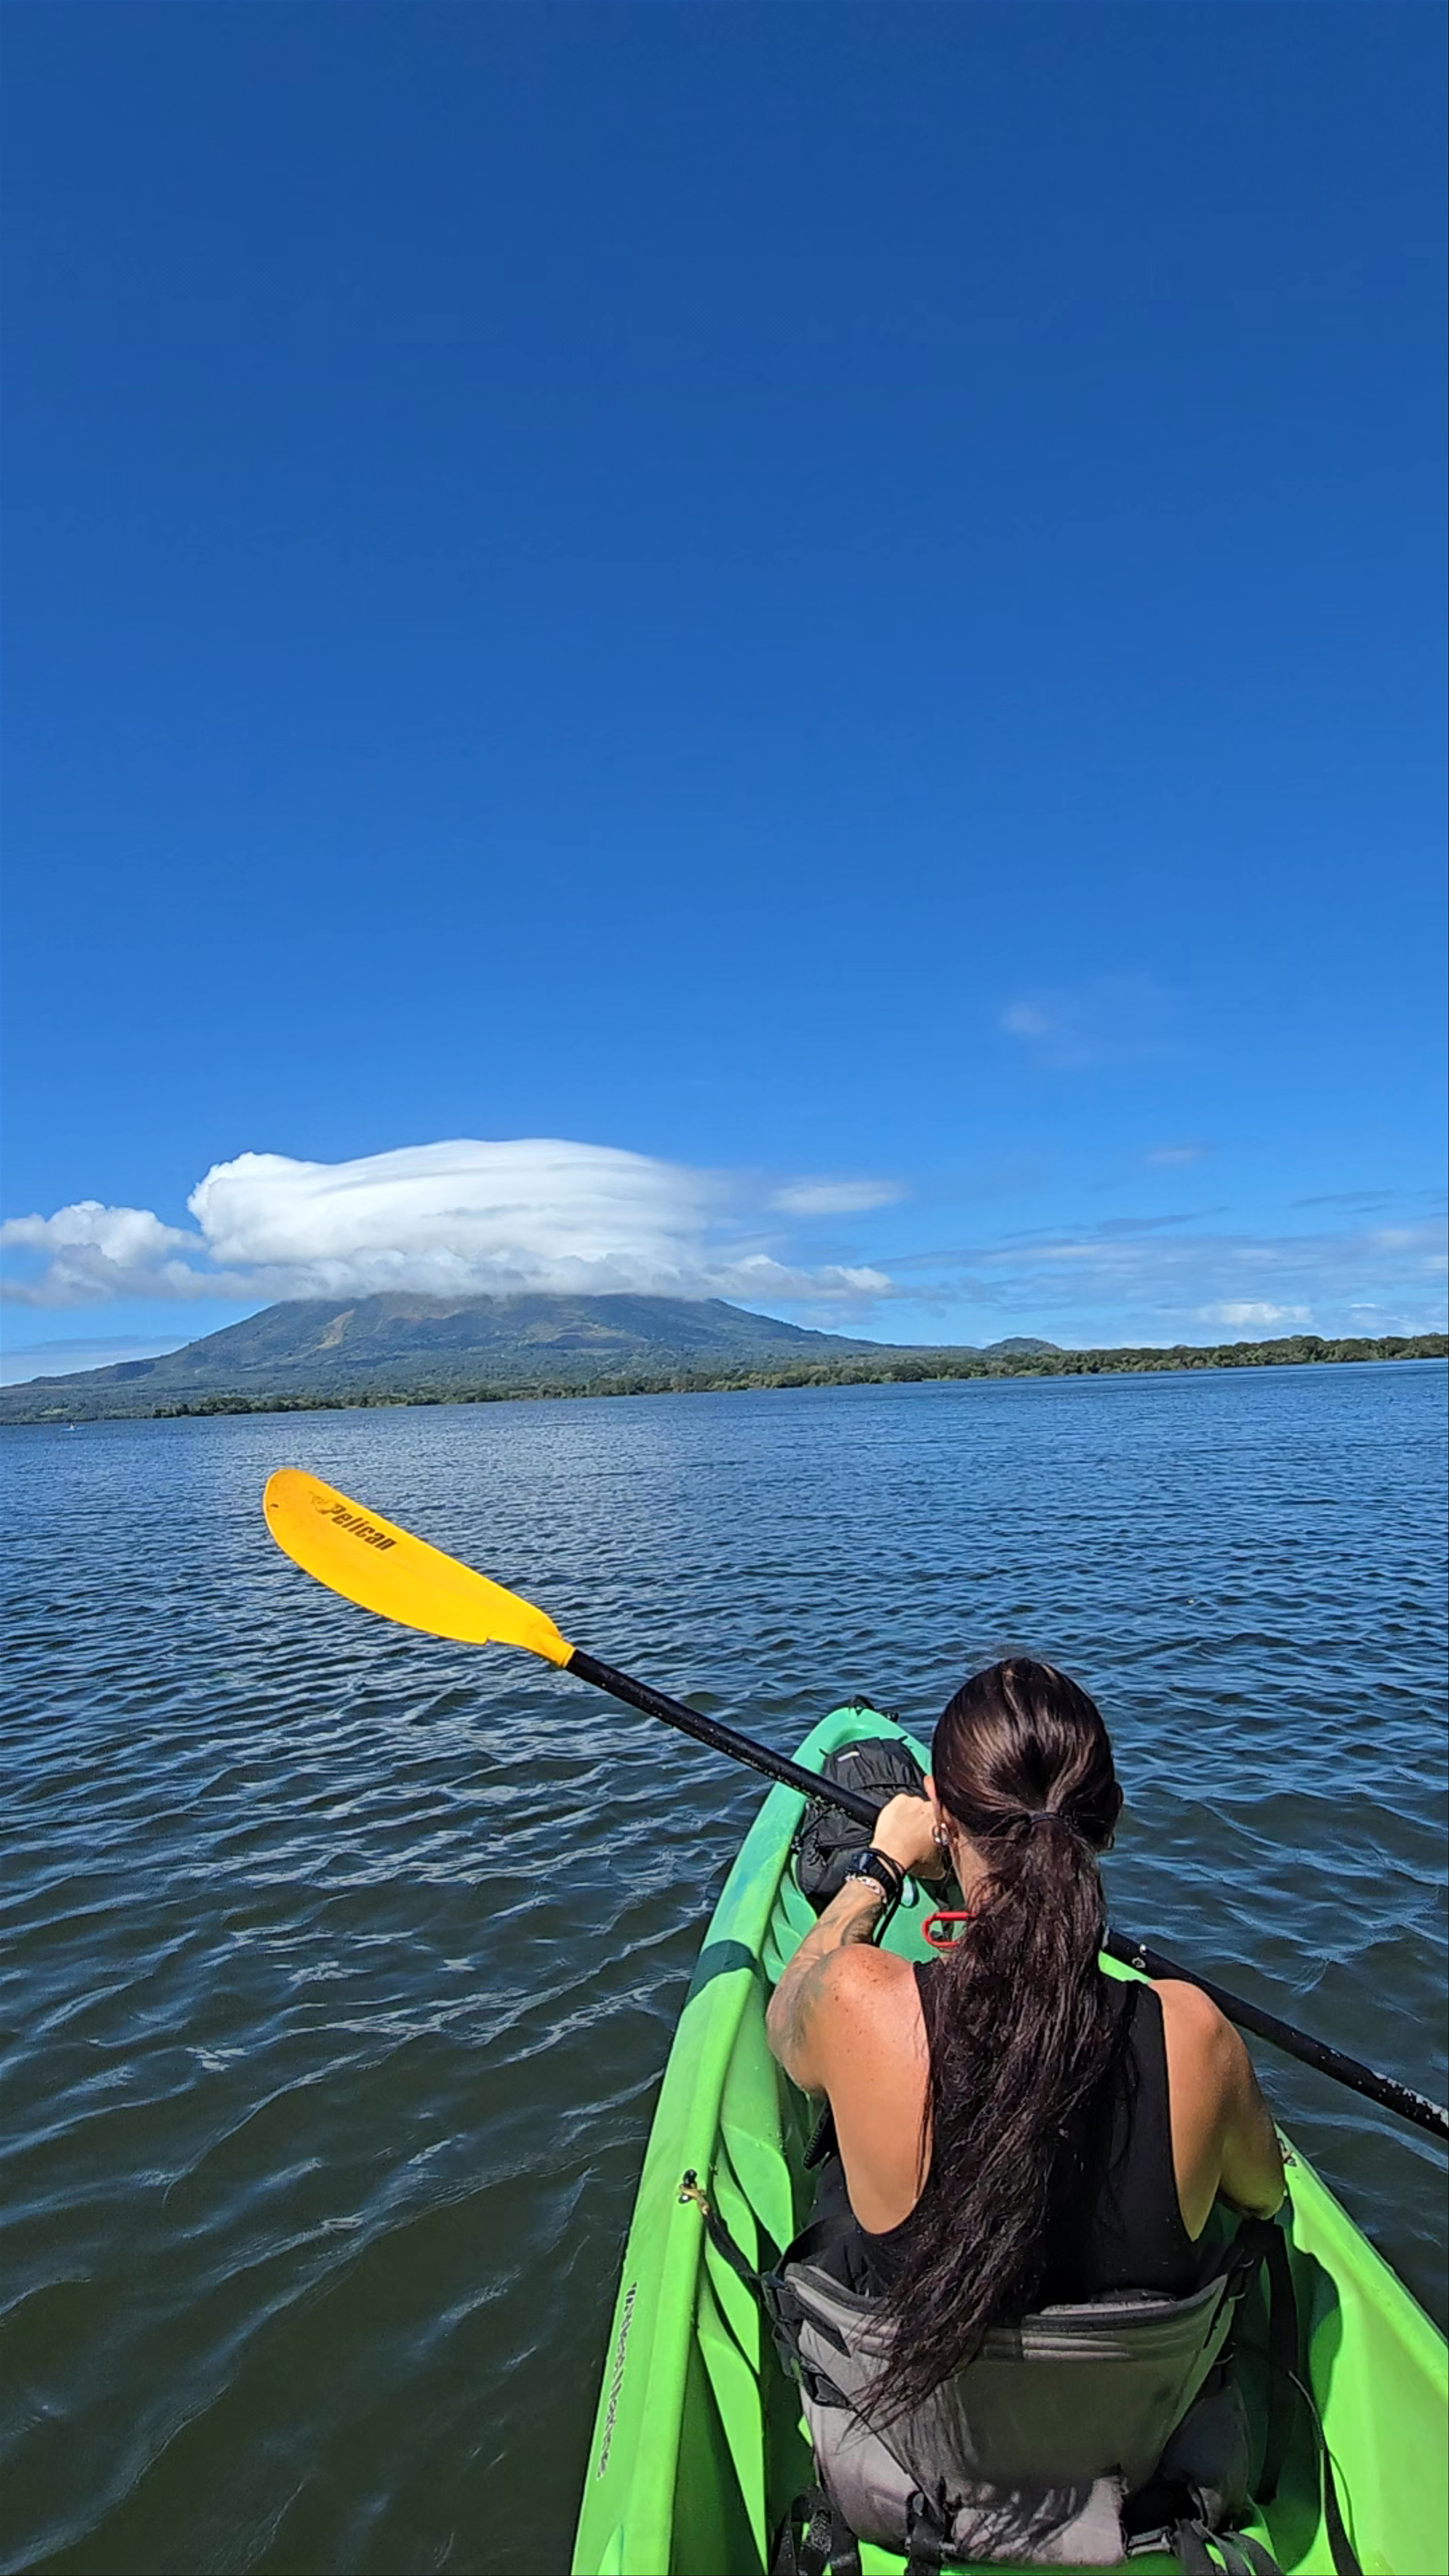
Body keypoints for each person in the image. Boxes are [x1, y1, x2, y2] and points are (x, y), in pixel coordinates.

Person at [764, 1658, 1286, 2568]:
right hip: (1135, 2484)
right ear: (1108, 1822)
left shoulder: (861, 2007)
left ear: (942, 1814)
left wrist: (881, 1867)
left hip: (916, 2484)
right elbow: (1267, 2197)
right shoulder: (1196, 2035)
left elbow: (785, 2018)